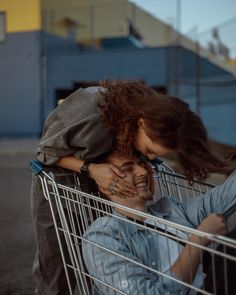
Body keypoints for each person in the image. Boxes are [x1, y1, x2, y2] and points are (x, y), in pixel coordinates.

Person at [31, 80, 234, 295]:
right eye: (148, 150)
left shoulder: (172, 211)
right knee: (58, 267)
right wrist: (90, 169)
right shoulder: (92, 110)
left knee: (106, 261)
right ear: (142, 123)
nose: (151, 160)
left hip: (109, 182)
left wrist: (137, 168)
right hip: (63, 184)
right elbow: (46, 152)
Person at [82, 151, 236, 295]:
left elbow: (222, 198)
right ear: (104, 186)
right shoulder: (102, 237)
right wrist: (198, 240)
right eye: (127, 169)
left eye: (142, 164)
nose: (143, 172)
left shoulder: (171, 210)